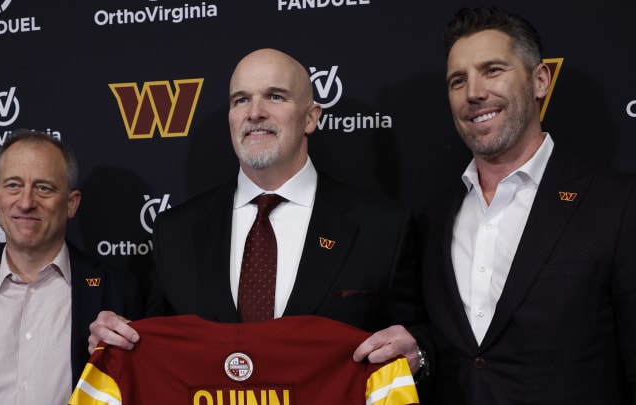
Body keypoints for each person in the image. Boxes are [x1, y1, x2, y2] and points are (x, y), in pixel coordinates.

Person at [88, 48, 432, 386]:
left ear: (311, 117)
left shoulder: (382, 226)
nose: (254, 112)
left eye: (275, 97)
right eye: (240, 100)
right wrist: (118, 341)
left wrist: (420, 356)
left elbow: (419, 338)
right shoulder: (175, 232)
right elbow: (155, 352)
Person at [418, 7, 636, 404]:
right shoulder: (431, 221)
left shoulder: (618, 205)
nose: (474, 92)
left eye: (493, 70)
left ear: (540, 80)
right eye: (457, 80)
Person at [0, 129, 144, 405]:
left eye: (43, 188)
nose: (25, 203)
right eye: (13, 185)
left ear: (71, 204)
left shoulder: (121, 290)